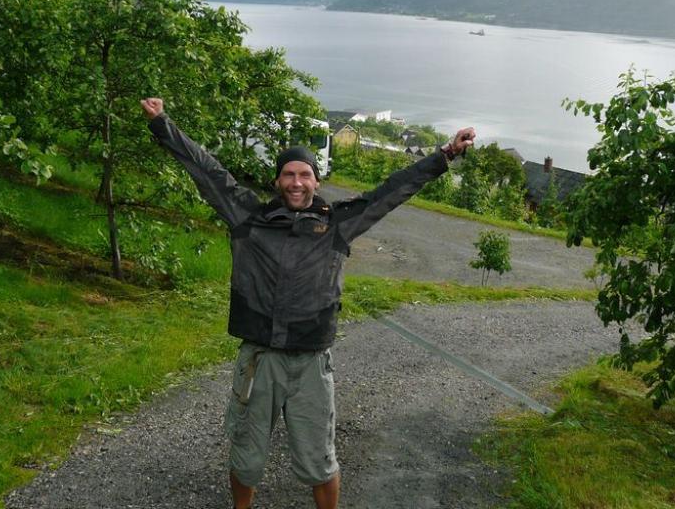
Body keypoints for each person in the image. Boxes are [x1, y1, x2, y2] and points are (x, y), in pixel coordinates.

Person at [140, 97, 475, 509]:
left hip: (311, 364)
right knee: (246, 457)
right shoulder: (248, 218)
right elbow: (207, 171)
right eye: (288, 174)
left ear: (316, 181)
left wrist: (446, 154)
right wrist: (162, 123)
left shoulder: (337, 224)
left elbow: (392, 191)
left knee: (320, 462)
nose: (296, 182)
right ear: (277, 181)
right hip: (259, 359)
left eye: (304, 175)